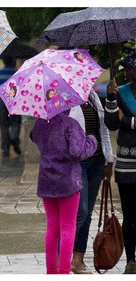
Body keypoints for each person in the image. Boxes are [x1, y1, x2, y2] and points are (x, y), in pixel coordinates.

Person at [30, 110, 97, 274]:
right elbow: (77, 152)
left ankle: (51, 271)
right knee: (68, 227)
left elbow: (33, 137)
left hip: (47, 181)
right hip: (68, 182)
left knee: (52, 227)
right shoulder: (70, 124)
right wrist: (91, 141)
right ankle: (64, 272)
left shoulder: (40, 123)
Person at [69, 90, 116, 274]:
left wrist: (109, 159)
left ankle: (78, 260)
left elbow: (102, 130)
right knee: (81, 211)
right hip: (78, 162)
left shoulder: (94, 98)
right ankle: (63, 252)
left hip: (97, 161)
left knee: (87, 214)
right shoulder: (68, 100)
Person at [104, 49, 136, 274]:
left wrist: (129, 122)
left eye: (132, 67)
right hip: (126, 165)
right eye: (126, 67)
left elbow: (123, 122)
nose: (127, 71)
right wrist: (112, 97)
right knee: (130, 216)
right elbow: (112, 124)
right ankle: (131, 260)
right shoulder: (121, 91)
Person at [0, 56, 22, 157]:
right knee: (16, 122)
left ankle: (5, 148)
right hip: (14, 102)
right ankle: (14, 138)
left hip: (1, 101)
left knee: (3, 125)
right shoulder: (17, 72)